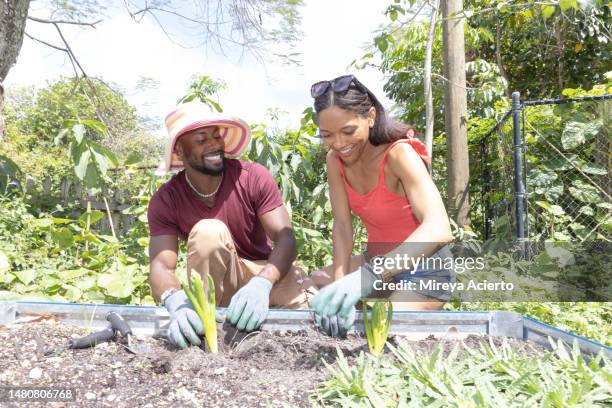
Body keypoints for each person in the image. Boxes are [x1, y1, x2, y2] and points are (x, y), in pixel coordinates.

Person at [148, 102, 315, 349]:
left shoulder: (252, 177)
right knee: (208, 231)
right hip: (218, 289)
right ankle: (208, 336)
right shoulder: (167, 199)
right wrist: (176, 302)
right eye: (201, 139)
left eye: (216, 136)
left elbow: (286, 238)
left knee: (315, 323)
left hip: (266, 278)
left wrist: (262, 283)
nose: (214, 144)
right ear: (180, 152)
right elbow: (161, 266)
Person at [308, 75, 454, 338]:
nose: (339, 143)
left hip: (425, 270)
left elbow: (439, 227)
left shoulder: (400, 154)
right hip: (376, 264)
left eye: (348, 131)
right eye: (327, 135)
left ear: (371, 116)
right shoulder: (335, 160)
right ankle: (360, 304)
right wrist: (341, 283)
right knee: (314, 282)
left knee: (381, 327)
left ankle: (418, 313)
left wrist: (369, 275)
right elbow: (342, 224)